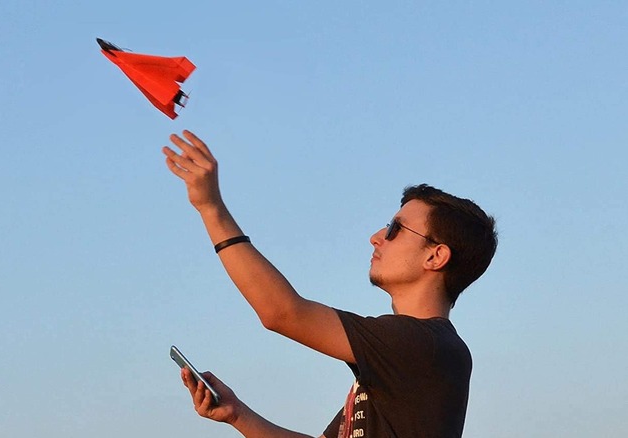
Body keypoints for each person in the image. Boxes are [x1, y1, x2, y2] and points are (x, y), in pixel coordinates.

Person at [162, 130, 498, 438]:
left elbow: (282, 312)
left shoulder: (421, 346)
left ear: (435, 257)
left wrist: (211, 208)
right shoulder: (409, 356)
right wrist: (237, 414)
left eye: (396, 229)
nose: (377, 238)